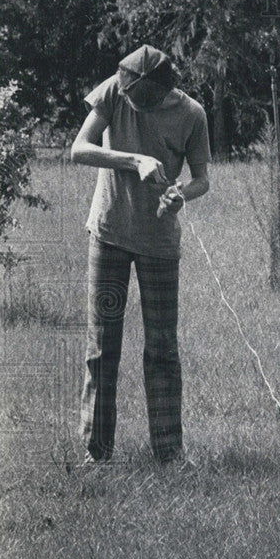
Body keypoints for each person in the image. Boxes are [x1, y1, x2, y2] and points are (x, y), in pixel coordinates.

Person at [70, 44, 211, 466]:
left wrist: (179, 195)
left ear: (160, 94)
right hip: (109, 233)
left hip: (159, 245)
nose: (126, 101)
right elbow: (79, 149)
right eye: (125, 95)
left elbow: (202, 179)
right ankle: (98, 454)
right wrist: (135, 160)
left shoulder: (192, 114)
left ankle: (169, 454)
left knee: (163, 348)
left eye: (135, 100)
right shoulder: (114, 89)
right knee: (102, 345)